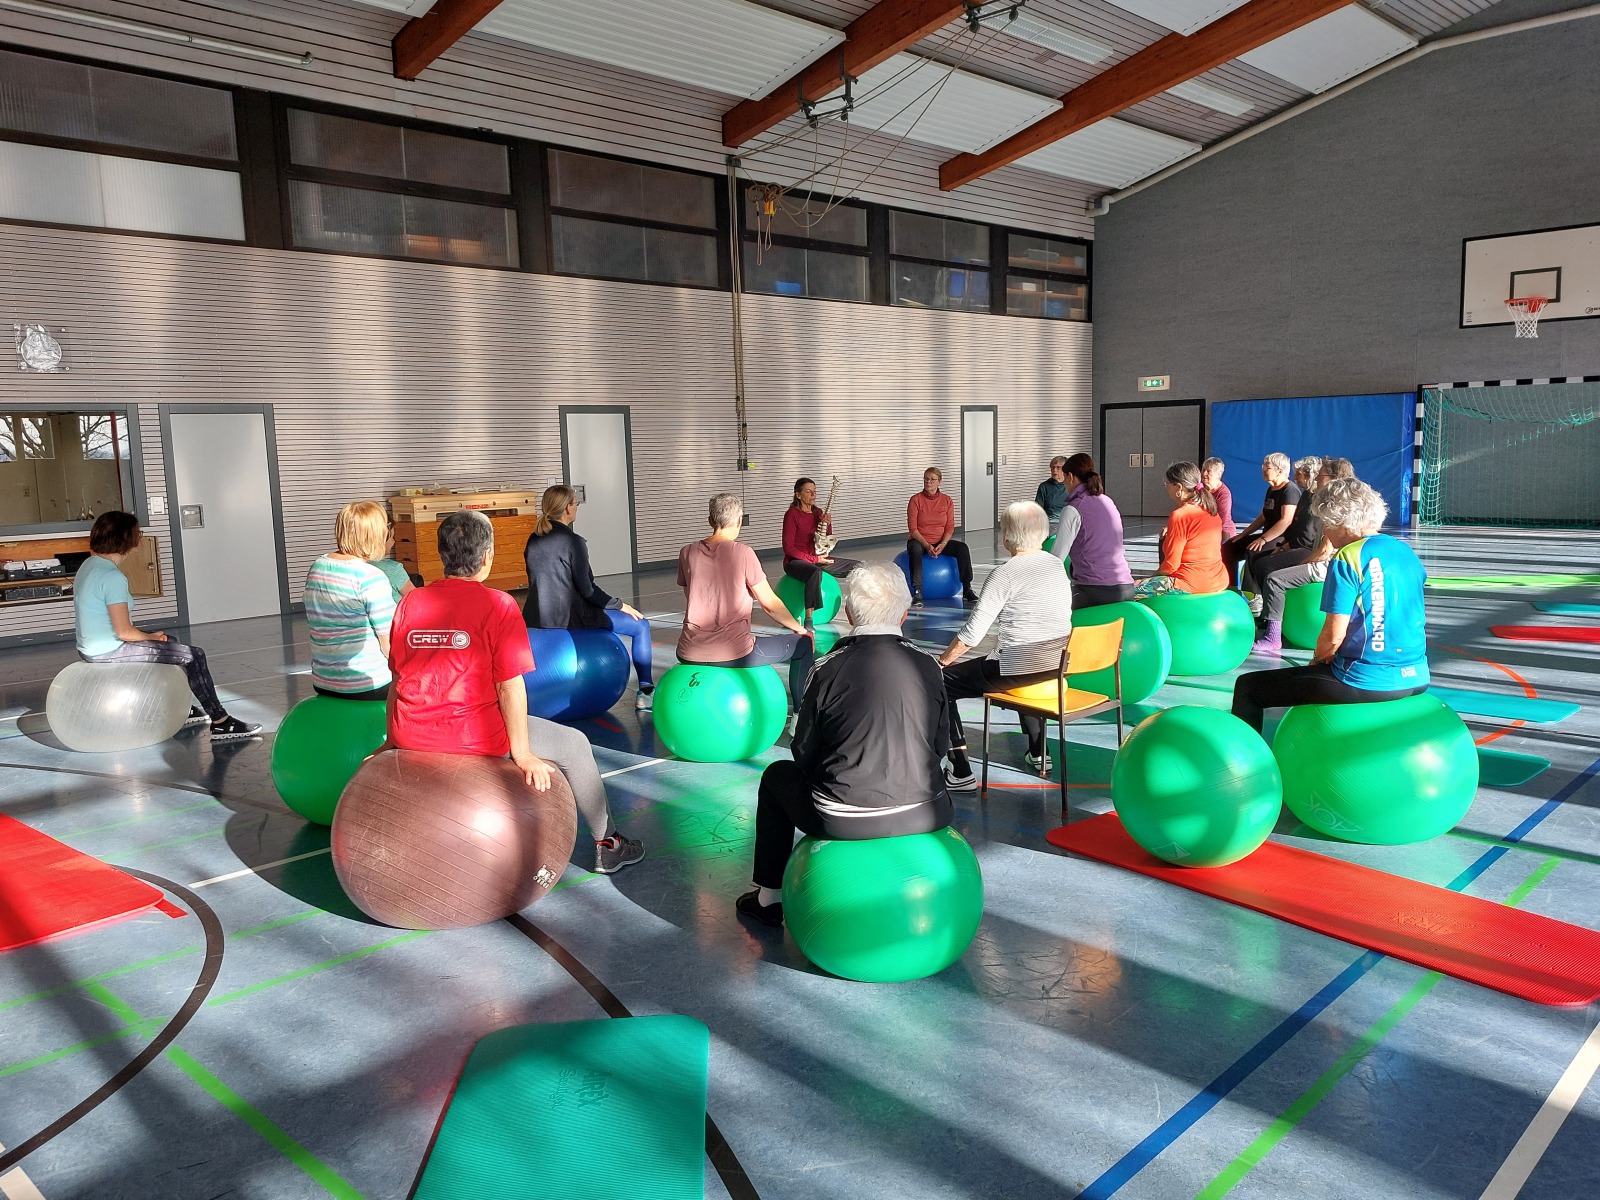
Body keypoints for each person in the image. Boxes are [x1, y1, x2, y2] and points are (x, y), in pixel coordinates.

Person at [387, 509, 643, 874]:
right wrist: (521, 753)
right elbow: (510, 685)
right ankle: (609, 844)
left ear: (442, 554)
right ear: (487, 557)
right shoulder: (499, 604)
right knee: (574, 744)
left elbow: (398, 678)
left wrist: (392, 739)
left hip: (411, 734)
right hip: (471, 736)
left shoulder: (409, 603)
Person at [735, 563, 953, 928]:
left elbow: (803, 751)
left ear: (849, 614)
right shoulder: (928, 665)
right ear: (903, 614)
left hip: (840, 818)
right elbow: (940, 744)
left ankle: (769, 899)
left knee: (776, 776)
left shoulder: (826, 668)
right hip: (926, 811)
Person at [1233, 479, 1427, 731]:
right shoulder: (1404, 551)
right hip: (1417, 676)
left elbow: (1333, 636)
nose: (1324, 531)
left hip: (1366, 679)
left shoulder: (1349, 556)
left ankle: (1246, 756)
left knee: (1248, 687)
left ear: (1342, 522)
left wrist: (1317, 660)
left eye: (1326, 523)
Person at [71, 511, 261, 741]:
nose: (140, 536)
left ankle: (184, 709)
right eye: (138, 532)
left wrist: (153, 638)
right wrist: (150, 637)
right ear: (127, 538)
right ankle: (221, 722)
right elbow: (124, 632)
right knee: (194, 656)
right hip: (107, 651)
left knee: (171, 644)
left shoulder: (90, 565)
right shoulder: (112, 577)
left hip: (90, 647)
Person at [937, 501, 1073, 788]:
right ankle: (1039, 752)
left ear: (1008, 536)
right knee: (1029, 657)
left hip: (1016, 667)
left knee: (942, 683)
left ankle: (959, 769)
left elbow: (972, 635)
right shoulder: (1055, 565)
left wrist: (943, 661)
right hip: (1057, 663)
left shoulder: (1005, 574)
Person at [679, 492, 814, 714]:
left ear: (710, 520)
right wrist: (800, 630)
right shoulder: (743, 553)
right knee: (803, 645)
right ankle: (801, 717)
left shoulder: (687, 552)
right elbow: (769, 604)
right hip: (734, 652)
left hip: (689, 650)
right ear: (739, 521)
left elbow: (691, 595)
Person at [522, 484, 654, 710]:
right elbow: (588, 590)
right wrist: (620, 605)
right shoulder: (573, 541)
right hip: (570, 618)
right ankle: (646, 691)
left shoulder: (533, 539)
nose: (577, 508)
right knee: (641, 625)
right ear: (567, 508)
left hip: (536, 618)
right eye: (575, 504)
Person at [1252, 458, 1356, 656]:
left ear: (1333, 478)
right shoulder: (1335, 503)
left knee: (1275, 579)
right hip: (1332, 561)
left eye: (1321, 475)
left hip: (1330, 565)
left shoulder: (1337, 509)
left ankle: (1273, 637)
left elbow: (1324, 551)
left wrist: (1303, 563)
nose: (1316, 478)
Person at [303, 500, 396, 701]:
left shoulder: (317, 567)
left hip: (323, 681)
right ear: (376, 534)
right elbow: (389, 645)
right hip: (368, 684)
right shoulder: (371, 577)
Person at [1049, 453, 1134, 608]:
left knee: (1050, 608)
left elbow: (1056, 558)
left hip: (1094, 590)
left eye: (1064, 478)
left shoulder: (1073, 509)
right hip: (1126, 587)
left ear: (1070, 477)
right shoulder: (1107, 501)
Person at [1241, 456, 1324, 611]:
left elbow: (1303, 531)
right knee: (1254, 556)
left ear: (1309, 475)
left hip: (1307, 548)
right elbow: (1295, 526)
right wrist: (1282, 545)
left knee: (1264, 564)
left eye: (1298, 474)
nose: (1295, 477)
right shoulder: (1306, 495)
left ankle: (1272, 609)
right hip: (1293, 542)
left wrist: (1278, 544)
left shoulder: (1304, 495)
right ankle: (1260, 599)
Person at [1133, 462, 1227, 599]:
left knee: (1127, 592)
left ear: (1178, 487)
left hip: (1189, 584)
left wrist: (1152, 577)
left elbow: (1171, 565)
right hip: (1219, 580)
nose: (1166, 488)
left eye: (1167, 484)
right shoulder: (1211, 511)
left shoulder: (1180, 515)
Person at [782, 477, 861, 626]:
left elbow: (824, 540)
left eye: (814, 491)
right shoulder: (792, 514)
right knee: (815, 572)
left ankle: (861, 610)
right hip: (795, 562)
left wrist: (827, 524)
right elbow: (788, 548)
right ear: (798, 495)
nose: (813, 495)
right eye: (808, 491)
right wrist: (814, 560)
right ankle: (809, 619)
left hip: (817, 559)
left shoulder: (817, 512)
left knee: (858, 567)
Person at [1221, 453, 1300, 592]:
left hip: (1281, 538)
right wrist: (1243, 534)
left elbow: (1286, 521)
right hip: (1267, 535)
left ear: (1279, 471)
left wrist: (1263, 539)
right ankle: (1231, 588)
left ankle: (1254, 594)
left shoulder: (1290, 490)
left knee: (1253, 551)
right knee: (1229, 546)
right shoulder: (1271, 489)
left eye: (1267, 467)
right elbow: (1263, 516)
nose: (1263, 469)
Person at [906, 467, 978, 607]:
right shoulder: (915, 500)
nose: (928, 482)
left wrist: (943, 544)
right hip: (920, 540)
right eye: (926, 479)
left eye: (932, 479)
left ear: (939, 482)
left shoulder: (947, 500)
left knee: (962, 548)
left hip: (940, 541)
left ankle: (967, 589)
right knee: (915, 549)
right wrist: (927, 545)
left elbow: (950, 526)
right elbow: (913, 529)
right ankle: (918, 592)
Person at [1201, 458, 1235, 540]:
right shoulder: (1199, 487)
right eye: (1203, 470)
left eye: (1208, 471)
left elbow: (1220, 520)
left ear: (1217, 475)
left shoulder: (1224, 493)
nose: (1204, 473)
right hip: (1202, 525)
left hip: (1221, 529)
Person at [1035, 456, 1070, 524]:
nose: (1054, 470)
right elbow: (1038, 510)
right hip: (1050, 523)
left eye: (1058, 467)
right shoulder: (1044, 487)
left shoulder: (1070, 485)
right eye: (1052, 467)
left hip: (1067, 523)